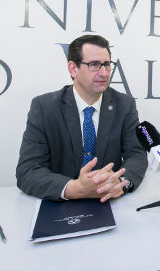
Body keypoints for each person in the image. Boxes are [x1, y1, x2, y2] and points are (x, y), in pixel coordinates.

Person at [16, 35, 147, 201]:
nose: (104, 73)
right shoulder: (44, 107)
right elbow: (28, 171)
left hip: (110, 203)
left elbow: (136, 155)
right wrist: (73, 188)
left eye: (107, 64)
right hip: (59, 206)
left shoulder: (124, 104)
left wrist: (121, 182)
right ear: (73, 69)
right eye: (94, 65)